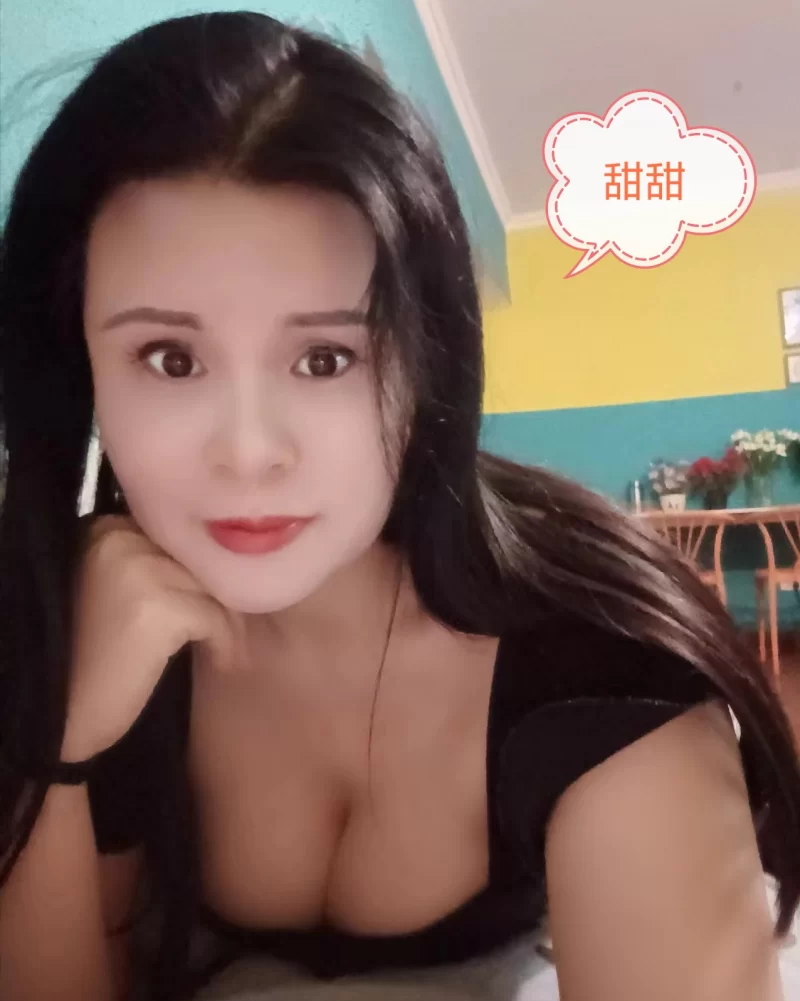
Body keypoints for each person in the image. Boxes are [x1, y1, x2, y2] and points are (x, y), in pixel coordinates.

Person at [0, 12, 797, 1001]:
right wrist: (52, 744)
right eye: (169, 358)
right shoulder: (96, 621)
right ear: (80, 366)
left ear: (427, 364)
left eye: (324, 358)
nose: (248, 453)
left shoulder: (602, 670)